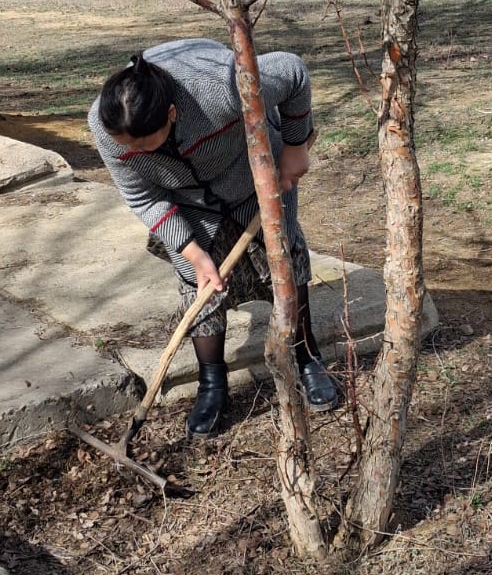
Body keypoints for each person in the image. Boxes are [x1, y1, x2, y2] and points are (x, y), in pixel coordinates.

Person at [89, 38, 341, 438]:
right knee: (199, 285)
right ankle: (212, 384)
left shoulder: (220, 87)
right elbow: (143, 197)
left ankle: (307, 358)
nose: (135, 153)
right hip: (186, 200)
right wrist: (193, 254)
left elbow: (293, 71)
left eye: (144, 144)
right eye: (128, 146)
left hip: (254, 178)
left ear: (171, 114)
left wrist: (295, 147)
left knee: (285, 262)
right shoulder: (108, 127)